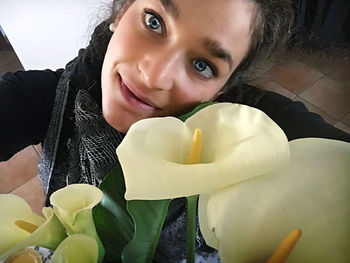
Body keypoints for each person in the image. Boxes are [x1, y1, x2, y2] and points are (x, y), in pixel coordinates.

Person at [0, 0, 349, 262]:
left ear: (225, 88)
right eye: (154, 22)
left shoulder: (240, 132)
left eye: (203, 65)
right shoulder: (54, 96)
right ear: (121, 13)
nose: (154, 77)